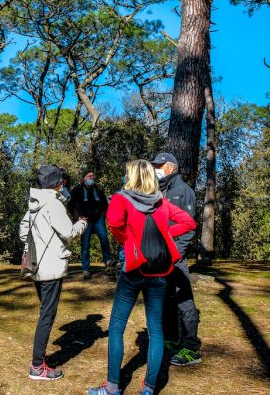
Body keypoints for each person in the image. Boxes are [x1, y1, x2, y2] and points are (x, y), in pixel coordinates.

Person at [88, 159, 196, 395]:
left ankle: (112, 387)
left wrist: (128, 241)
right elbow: (188, 222)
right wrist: (166, 234)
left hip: (133, 270)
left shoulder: (121, 198)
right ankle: (148, 389)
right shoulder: (162, 203)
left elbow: (115, 223)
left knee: (117, 326)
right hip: (160, 271)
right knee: (156, 329)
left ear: (133, 176)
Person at [20, 164, 87, 381]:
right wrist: (82, 224)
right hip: (51, 266)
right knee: (47, 315)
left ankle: (39, 358)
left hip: (35, 263)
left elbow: (23, 232)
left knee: (44, 311)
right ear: (58, 183)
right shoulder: (54, 204)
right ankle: (37, 366)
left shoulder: (35, 202)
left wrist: (37, 245)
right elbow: (68, 232)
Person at [151, 152, 202, 366]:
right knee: (167, 299)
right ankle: (171, 339)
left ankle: (191, 348)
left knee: (184, 301)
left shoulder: (183, 191)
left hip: (175, 257)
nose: (156, 169)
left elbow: (188, 229)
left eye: (160, 165)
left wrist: (176, 254)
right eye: (155, 166)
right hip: (162, 256)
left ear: (171, 167)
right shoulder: (161, 190)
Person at [69, 171, 115, 278]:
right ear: (84, 178)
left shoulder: (98, 190)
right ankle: (86, 269)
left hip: (98, 219)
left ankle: (108, 262)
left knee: (104, 239)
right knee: (85, 244)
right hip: (85, 221)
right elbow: (71, 205)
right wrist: (77, 217)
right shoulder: (77, 190)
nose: (91, 178)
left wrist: (103, 215)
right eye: (89, 176)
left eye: (93, 176)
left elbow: (104, 204)